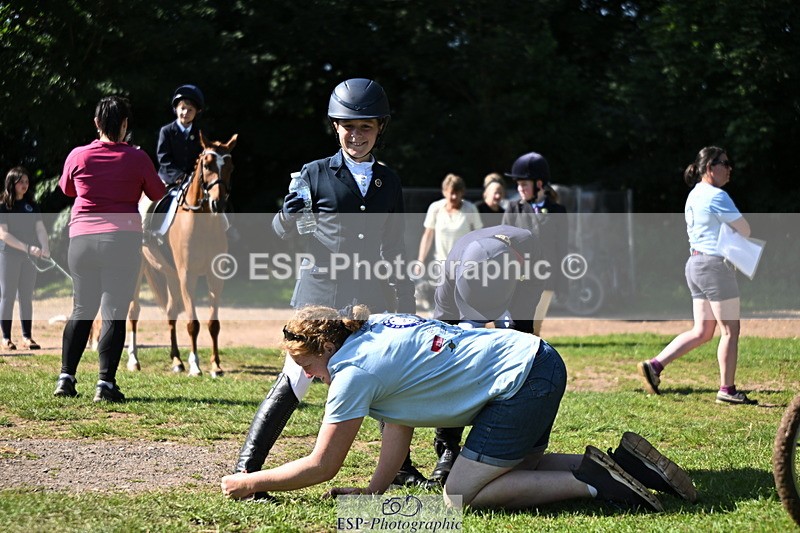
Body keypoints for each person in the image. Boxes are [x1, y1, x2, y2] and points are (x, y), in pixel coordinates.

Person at [221, 305, 697, 511]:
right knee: (518, 468)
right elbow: (398, 424)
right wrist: (373, 492)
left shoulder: (352, 373)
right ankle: (628, 465)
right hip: (535, 358)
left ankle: (593, 484)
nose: (305, 376)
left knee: (457, 496)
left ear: (324, 347)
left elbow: (323, 465)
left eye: (305, 364)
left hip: (521, 381)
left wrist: (250, 481)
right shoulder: (371, 331)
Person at [233, 78, 422, 492]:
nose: (356, 136)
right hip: (318, 298)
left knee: (387, 378)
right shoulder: (312, 174)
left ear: (380, 129)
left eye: (365, 128)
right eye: (348, 127)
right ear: (336, 127)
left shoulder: (388, 181)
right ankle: (248, 470)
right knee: (295, 379)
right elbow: (282, 231)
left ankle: (402, 468)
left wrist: (405, 298)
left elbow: (395, 246)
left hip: (368, 300)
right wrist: (285, 215)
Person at [54, 95, 166, 401]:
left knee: (81, 309)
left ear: (96, 123)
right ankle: (105, 384)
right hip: (121, 240)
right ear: (125, 125)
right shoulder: (138, 158)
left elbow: (66, 188)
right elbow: (157, 192)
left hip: (82, 241)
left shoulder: (78, 155)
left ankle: (66, 378)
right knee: (115, 312)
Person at [638, 146, 756, 405]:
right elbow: (744, 228)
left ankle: (655, 365)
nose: (729, 168)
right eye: (724, 163)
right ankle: (727, 389)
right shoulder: (717, 195)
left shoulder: (693, 195)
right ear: (710, 167)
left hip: (695, 264)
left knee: (703, 330)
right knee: (730, 331)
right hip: (715, 266)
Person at [502, 152, 568, 335]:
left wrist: (563, 283)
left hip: (545, 279)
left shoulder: (558, 211)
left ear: (539, 184)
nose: (520, 188)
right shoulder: (513, 209)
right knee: (514, 329)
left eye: (524, 184)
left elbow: (562, 247)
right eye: (518, 184)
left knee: (533, 331)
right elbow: (502, 243)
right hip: (517, 279)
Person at [0, 166, 50, 350]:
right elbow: (3, 234)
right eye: (21, 181)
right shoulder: (3, 205)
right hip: (8, 255)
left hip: (30, 258)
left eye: (27, 181)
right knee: (7, 296)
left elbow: (40, 228)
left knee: (26, 296)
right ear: (11, 183)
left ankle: (27, 337)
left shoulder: (31, 205)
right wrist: (27, 248)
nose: (25, 185)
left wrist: (45, 247)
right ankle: (5, 338)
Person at [416, 173, 483, 268]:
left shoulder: (470, 209)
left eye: (457, 193)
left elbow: (478, 235)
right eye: (452, 193)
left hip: (464, 264)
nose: (454, 197)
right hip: (441, 264)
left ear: (462, 192)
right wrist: (421, 260)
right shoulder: (435, 208)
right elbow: (428, 234)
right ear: (444, 192)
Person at [156, 84, 205, 187]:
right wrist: (179, 176)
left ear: (197, 112)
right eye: (182, 108)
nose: (185, 112)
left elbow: (202, 158)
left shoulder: (199, 133)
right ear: (176, 109)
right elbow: (164, 159)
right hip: (168, 180)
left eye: (190, 110)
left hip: (193, 181)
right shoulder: (166, 131)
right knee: (149, 202)